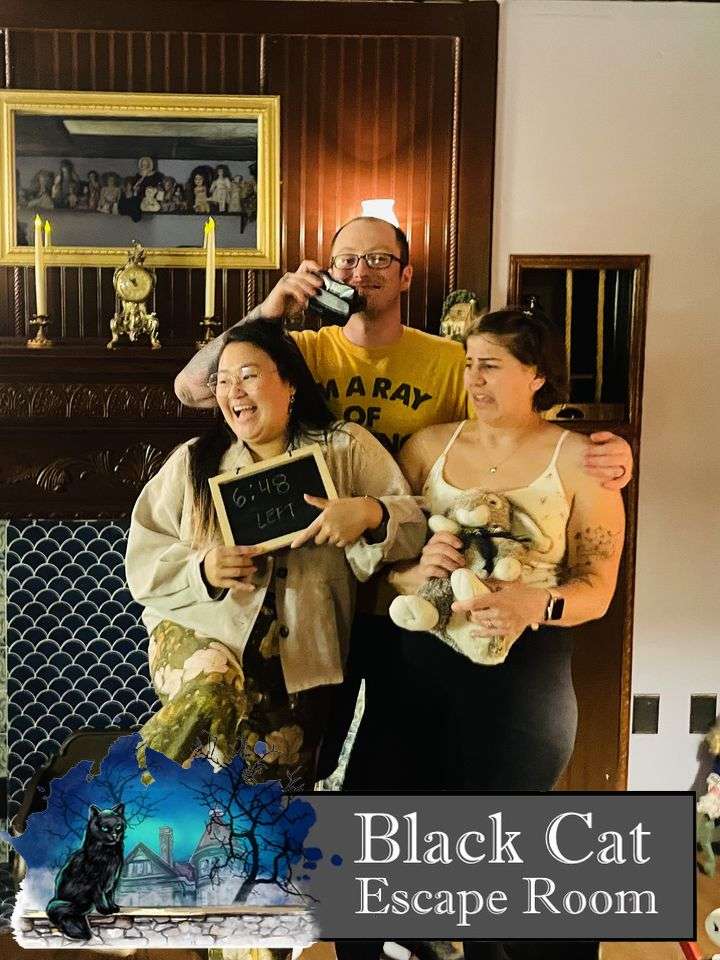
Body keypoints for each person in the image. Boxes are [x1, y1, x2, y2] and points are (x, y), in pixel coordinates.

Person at [364, 307, 625, 960]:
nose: (474, 379)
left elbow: (597, 589)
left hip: (523, 670)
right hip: (417, 661)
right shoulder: (427, 447)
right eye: (469, 364)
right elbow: (385, 571)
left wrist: (534, 604)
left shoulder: (584, 462)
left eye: (492, 365)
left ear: (537, 375)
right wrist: (412, 571)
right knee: (388, 834)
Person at [126, 319, 426, 789]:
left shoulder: (344, 449)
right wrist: (201, 569)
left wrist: (368, 514)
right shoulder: (193, 460)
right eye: (223, 381)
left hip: (302, 652)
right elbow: (143, 557)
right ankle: (109, 805)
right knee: (212, 689)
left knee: (271, 804)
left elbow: (415, 523)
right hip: (204, 631)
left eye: (247, 375)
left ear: (288, 383)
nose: (233, 391)